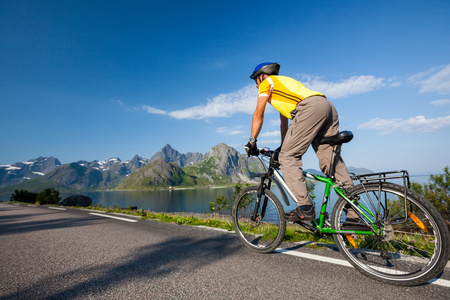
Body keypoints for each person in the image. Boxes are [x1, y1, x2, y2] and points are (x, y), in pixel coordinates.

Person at [245, 62, 361, 224]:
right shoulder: (284, 84)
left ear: (262, 76)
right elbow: (284, 123)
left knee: (288, 158)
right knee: (331, 163)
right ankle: (355, 217)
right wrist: (283, 146)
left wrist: (252, 141)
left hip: (309, 109)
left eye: (255, 81)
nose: (256, 86)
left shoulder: (267, 83)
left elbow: (259, 113)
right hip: (326, 106)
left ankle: (305, 208)